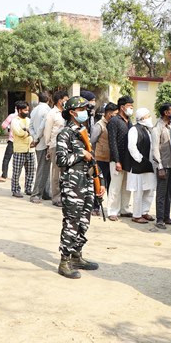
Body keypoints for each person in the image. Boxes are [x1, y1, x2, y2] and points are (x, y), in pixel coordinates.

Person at [55, 96, 105, 279]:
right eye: (82, 108)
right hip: (72, 184)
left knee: (84, 221)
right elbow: (60, 160)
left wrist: (100, 181)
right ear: (72, 112)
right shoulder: (65, 133)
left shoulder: (83, 131)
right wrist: (79, 154)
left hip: (86, 182)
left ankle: (77, 255)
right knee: (72, 221)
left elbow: (93, 159)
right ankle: (64, 261)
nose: (86, 111)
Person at [151, 103, 171, 229]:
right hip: (164, 167)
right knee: (162, 193)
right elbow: (155, 150)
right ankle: (159, 219)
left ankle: (167, 217)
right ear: (165, 113)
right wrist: (160, 167)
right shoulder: (157, 128)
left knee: (170, 193)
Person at [127, 108, 157, 224]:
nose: (150, 118)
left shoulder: (149, 129)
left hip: (149, 165)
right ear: (143, 118)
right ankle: (137, 215)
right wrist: (140, 159)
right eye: (148, 116)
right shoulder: (134, 129)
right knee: (138, 192)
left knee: (149, 189)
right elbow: (132, 147)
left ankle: (145, 211)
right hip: (139, 165)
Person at [107, 95, 135, 220]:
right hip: (117, 160)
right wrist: (117, 161)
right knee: (115, 186)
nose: (131, 109)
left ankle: (124, 209)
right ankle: (113, 211)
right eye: (130, 106)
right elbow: (112, 142)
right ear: (122, 107)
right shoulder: (114, 121)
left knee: (126, 186)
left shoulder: (129, 121)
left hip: (128, 159)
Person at [44, 90, 68, 206]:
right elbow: (47, 131)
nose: (67, 102)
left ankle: (65, 196)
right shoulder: (52, 113)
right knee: (56, 173)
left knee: (65, 173)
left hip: (67, 146)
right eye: (66, 100)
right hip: (55, 145)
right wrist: (48, 145)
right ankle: (56, 198)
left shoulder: (67, 112)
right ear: (60, 101)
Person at [29, 92, 52, 203]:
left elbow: (30, 126)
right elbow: (43, 127)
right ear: (48, 98)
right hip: (43, 143)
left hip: (39, 143)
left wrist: (34, 137)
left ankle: (45, 192)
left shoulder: (34, 110)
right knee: (42, 169)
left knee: (45, 169)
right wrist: (37, 138)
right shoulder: (48, 110)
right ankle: (36, 194)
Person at [9, 102, 35, 197]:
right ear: (19, 110)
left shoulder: (29, 120)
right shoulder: (15, 121)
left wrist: (27, 131)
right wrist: (28, 132)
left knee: (31, 171)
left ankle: (28, 188)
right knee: (16, 172)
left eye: (28, 110)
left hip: (30, 149)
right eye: (25, 110)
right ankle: (15, 189)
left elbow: (33, 130)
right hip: (19, 150)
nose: (27, 112)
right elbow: (19, 133)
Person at [91, 102, 118, 190]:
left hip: (111, 159)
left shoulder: (113, 124)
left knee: (111, 184)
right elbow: (92, 141)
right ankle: (97, 203)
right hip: (100, 159)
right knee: (99, 183)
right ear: (110, 114)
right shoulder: (99, 125)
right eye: (115, 114)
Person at [0, 106, 18, 180]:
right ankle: (16, 176)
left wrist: (9, 127)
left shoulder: (12, 116)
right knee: (19, 160)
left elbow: (3, 126)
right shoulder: (26, 117)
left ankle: (4, 174)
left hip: (12, 140)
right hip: (21, 142)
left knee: (7, 158)